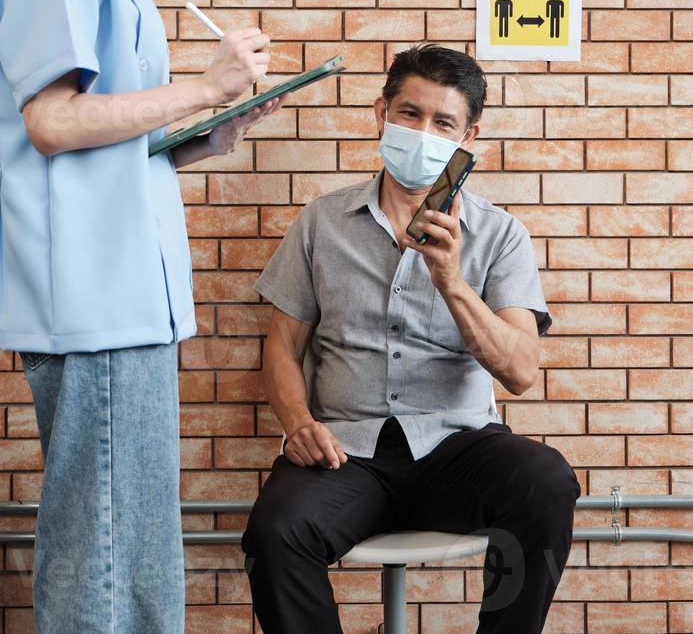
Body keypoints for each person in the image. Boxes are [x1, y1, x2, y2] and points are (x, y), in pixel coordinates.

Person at [0, 0, 280, 634]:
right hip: (94, 297)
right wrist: (205, 87)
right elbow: (54, 123)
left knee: (131, 544)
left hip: (131, 296)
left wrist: (213, 129)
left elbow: (115, 136)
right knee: (103, 544)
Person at [242, 43, 580, 634]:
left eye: (443, 122)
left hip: (458, 450)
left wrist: (450, 279)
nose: (423, 132)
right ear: (381, 114)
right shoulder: (322, 222)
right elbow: (281, 346)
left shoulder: (500, 235)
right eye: (409, 114)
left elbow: (522, 371)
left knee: (545, 481)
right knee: (275, 531)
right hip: (347, 454)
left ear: (467, 136)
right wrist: (297, 422)